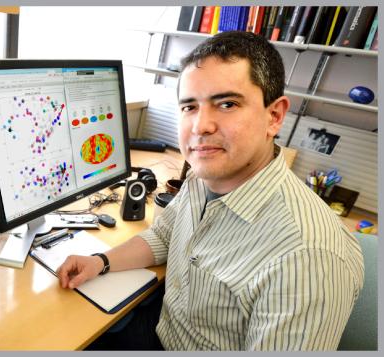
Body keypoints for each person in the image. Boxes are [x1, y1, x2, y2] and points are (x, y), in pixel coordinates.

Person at [57, 31, 364, 351]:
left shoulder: (307, 257)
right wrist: (100, 262)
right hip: (164, 330)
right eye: (189, 107)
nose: (200, 126)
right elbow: (162, 237)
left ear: (274, 116)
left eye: (227, 103)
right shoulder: (203, 177)